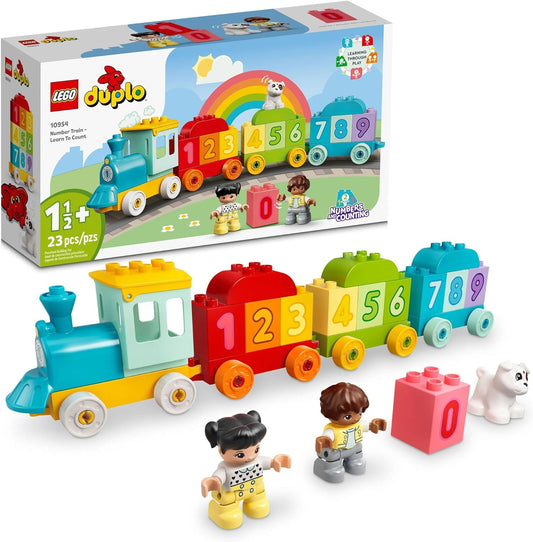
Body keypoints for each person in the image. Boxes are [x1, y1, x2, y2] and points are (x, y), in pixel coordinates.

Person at [201, 410, 291, 529]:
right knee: (229, 512)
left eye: (256, 450)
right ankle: (225, 512)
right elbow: (219, 476)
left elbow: (267, 462)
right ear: (220, 450)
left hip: (256, 490)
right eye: (240, 454)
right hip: (231, 495)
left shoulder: (257, 461)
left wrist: (275, 462)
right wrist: (215, 481)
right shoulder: (225, 468)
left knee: (259, 504)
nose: (249, 457)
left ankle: (255, 503)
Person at [314, 382, 386, 483]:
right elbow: (327, 437)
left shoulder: (357, 424)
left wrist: (373, 426)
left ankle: (354, 462)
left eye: (360, 413)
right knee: (333, 463)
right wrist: (324, 441)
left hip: (354, 450)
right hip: (337, 452)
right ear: (331, 414)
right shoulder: (333, 430)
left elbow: (366, 426)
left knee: (357, 462)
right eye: (348, 417)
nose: (356, 419)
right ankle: (332, 468)